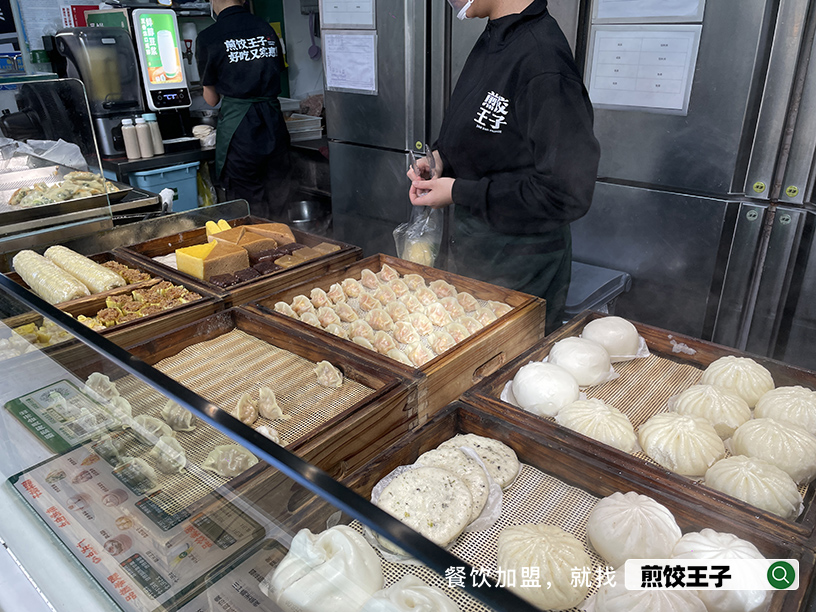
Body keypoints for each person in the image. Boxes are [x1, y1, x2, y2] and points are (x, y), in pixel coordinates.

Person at [407, 0, 600, 333]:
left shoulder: (543, 60)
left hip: (520, 264)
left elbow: (566, 193)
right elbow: (492, 141)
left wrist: (457, 190)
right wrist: (441, 159)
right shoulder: (495, 36)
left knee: (510, 372)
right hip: (477, 251)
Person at [196, 0, 292, 218]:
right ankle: (286, 246)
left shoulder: (209, 37)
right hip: (273, 123)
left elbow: (211, 99)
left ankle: (258, 246)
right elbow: (276, 72)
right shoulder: (265, 28)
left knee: (248, 202)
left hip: (240, 130)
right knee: (279, 194)